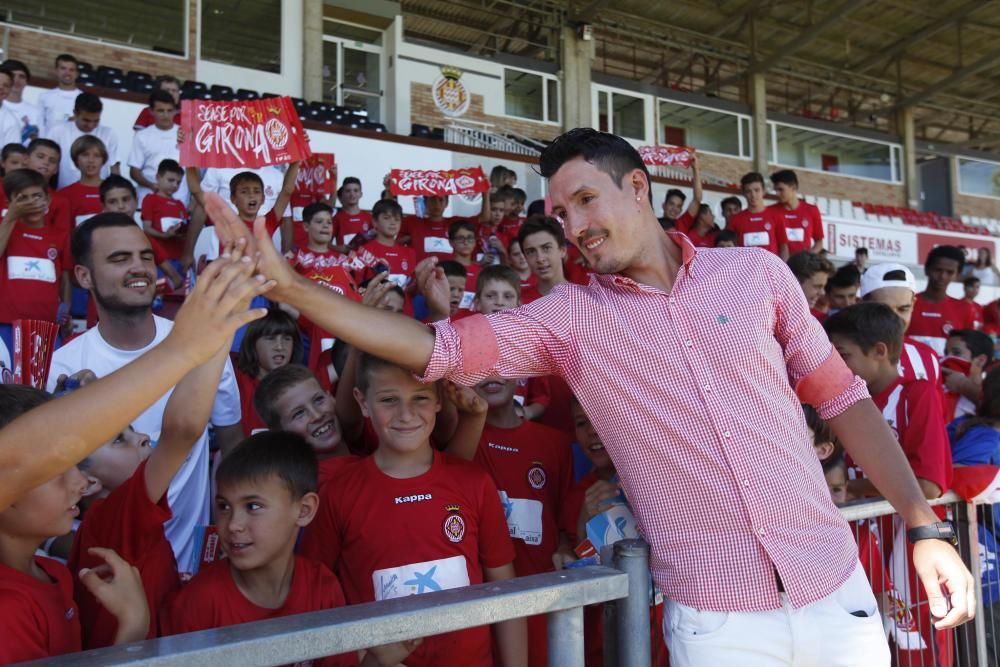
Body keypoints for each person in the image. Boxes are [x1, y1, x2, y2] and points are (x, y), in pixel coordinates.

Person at [238, 127, 975, 665]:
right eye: (560, 216)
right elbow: (440, 349)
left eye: (586, 200)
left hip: (836, 588)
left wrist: (923, 527)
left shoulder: (757, 275)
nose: (575, 228)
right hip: (720, 624)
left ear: (639, 188)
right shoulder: (569, 320)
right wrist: (297, 288)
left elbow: (844, 401)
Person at [0, 243, 270, 511]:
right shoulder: (115, 524)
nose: (143, 437)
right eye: (119, 257)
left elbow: (212, 436)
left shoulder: (133, 514)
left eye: (147, 256)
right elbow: (183, 430)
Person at [300, 353, 527, 667]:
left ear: (438, 400)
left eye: (419, 397)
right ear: (362, 402)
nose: (406, 414)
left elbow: (506, 590)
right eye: (389, 399)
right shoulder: (338, 494)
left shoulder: (474, 482)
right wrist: (365, 659)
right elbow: (313, 597)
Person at [47, 213, 244, 574]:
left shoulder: (204, 345)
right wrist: (98, 555)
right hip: (107, 586)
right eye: (119, 259)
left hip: (190, 577)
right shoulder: (61, 372)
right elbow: (36, 494)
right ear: (84, 276)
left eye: (146, 256)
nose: (139, 268)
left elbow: (232, 445)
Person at [69, 328, 232, 648]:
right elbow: (183, 430)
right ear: (87, 483)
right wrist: (219, 328)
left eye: (131, 430)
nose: (142, 437)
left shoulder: (111, 521)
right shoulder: (111, 517)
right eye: (119, 440)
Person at [158, 433, 369, 667]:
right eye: (223, 506)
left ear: (304, 510)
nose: (233, 524)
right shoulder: (195, 605)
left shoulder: (322, 589)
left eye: (253, 506)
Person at [824, 302, 956, 667]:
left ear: (880, 351)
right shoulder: (839, 404)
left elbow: (929, 484)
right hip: (859, 548)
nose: (836, 364)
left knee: (919, 650)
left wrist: (853, 491)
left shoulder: (918, 394)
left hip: (908, 548)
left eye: (843, 354)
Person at [0, 385, 149, 661]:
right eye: (55, 470)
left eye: (75, 464)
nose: (80, 482)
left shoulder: (52, 572)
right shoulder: (7, 610)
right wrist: (132, 627)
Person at [466, 375, 574, 667]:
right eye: (478, 369)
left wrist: (564, 546)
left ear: (520, 374)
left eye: (500, 365)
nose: (490, 375)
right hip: (478, 604)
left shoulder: (555, 443)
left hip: (541, 598)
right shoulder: (461, 442)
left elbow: (564, 520)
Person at [0, 169, 72, 351]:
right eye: (22, 198)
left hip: (46, 327)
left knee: (44, 379)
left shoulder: (60, 236)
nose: (31, 202)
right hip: (5, 324)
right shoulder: (6, 231)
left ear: (48, 200)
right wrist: (10, 217)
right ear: (9, 202)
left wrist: (66, 309)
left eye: (37, 196)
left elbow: (65, 278)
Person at [189, 164, 299, 255]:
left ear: (263, 199)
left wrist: (296, 160)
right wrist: (187, 156)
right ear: (233, 198)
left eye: (256, 191)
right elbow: (196, 191)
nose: (251, 195)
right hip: (231, 279)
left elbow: (287, 190)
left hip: (260, 280)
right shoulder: (225, 222)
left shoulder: (268, 222)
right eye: (244, 192)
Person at [860, 263, 941, 386]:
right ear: (862, 305)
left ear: (913, 304)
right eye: (885, 310)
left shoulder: (928, 358)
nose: (894, 318)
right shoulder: (844, 355)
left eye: (903, 309)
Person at [235, 307, 303, 436]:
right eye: (270, 338)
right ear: (252, 343)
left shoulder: (302, 384)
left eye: (287, 339)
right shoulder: (236, 382)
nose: (279, 347)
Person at [909, 245, 980, 355]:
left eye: (950, 272)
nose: (942, 276)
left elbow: (968, 352)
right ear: (927, 269)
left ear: (957, 275)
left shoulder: (964, 309)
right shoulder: (906, 304)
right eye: (938, 270)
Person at [44, 92, 120, 189]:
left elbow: (114, 168)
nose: (91, 125)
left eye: (96, 121)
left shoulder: (109, 133)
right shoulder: (57, 131)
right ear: (75, 113)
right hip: (64, 192)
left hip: (98, 194)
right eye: (86, 120)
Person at [128, 90, 185, 207]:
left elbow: (194, 171)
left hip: (180, 200)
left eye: (169, 111)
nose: (166, 115)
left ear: (175, 111)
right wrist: (152, 185)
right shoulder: (142, 136)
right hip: (148, 198)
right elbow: (134, 171)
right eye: (160, 111)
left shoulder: (186, 134)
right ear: (151, 111)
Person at [140, 158, 189, 289]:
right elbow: (146, 229)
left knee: (175, 300)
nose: (174, 185)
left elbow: (185, 230)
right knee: (158, 296)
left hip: (178, 258)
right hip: (159, 260)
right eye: (170, 180)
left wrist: (180, 234)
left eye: (178, 182)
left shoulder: (180, 205)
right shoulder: (150, 200)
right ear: (158, 177)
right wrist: (165, 235)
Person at [769, 169, 823, 259]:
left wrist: (807, 257)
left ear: (793, 187)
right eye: (776, 190)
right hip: (779, 265)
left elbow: (819, 243)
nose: (777, 194)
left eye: (781, 189)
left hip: (802, 267)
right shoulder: (771, 211)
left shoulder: (812, 210)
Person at [727, 172, 785, 255]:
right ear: (743, 193)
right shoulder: (736, 220)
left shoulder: (776, 216)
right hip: (745, 267)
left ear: (764, 191)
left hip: (770, 267)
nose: (753, 195)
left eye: (757, 190)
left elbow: (783, 247)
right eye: (748, 191)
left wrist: (781, 267)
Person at [56, 135, 106, 226]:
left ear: (103, 160)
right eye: (85, 155)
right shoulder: (65, 194)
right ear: (76, 160)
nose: (91, 160)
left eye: (97, 155)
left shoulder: (114, 190)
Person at [519, 216, 569, 304]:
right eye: (531, 251)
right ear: (525, 257)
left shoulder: (583, 298)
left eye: (546, 248)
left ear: (562, 250)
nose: (540, 258)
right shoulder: (518, 301)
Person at [0, 60, 42, 145]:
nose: (16, 80)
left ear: (27, 81)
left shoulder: (35, 112)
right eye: (13, 75)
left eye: (21, 76)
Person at [37, 54, 81, 135]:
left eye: (71, 70)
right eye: (63, 68)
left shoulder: (84, 98)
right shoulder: (45, 97)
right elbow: (39, 125)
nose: (67, 73)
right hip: (49, 144)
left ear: (76, 74)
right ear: (56, 71)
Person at [786, 250, 834, 321]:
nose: (822, 293)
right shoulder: (768, 314)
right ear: (796, 282)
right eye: (817, 286)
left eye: (823, 287)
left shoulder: (819, 320)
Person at [658, 154, 701, 230]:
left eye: (678, 206)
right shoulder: (654, 223)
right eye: (671, 204)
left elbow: (697, 200)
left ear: (681, 210)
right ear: (663, 205)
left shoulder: (682, 223)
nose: (674, 209)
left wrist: (695, 168)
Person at [332, 176, 373, 251]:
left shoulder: (369, 217)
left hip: (365, 261)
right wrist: (338, 248)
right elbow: (325, 243)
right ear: (342, 194)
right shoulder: (336, 218)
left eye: (356, 190)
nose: (352, 194)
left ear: (361, 194)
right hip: (344, 260)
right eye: (348, 191)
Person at [0, 67, 23, 149]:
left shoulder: (11, 121)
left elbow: (11, 155)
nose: (1, 87)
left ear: (9, 90)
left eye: (5, 85)